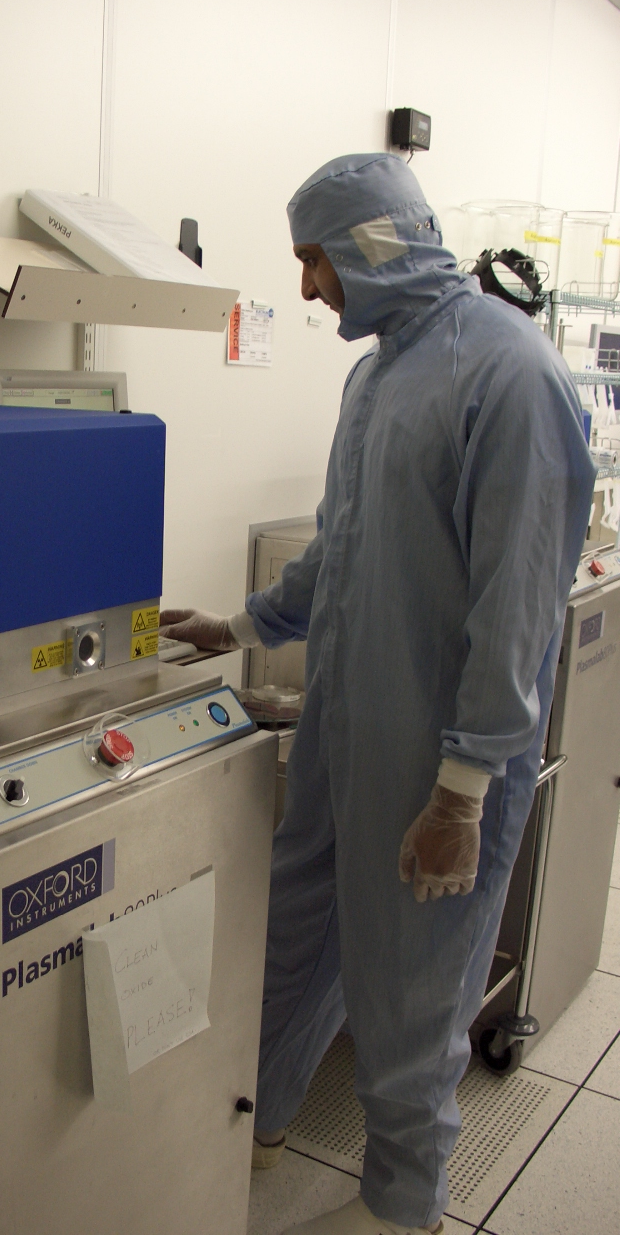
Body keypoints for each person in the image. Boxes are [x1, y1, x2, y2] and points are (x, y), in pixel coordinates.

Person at [161, 153, 594, 1235]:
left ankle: (405, 1205)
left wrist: (461, 792)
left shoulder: (512, 374)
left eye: (315, 260)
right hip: (344, 733)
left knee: (413, 994)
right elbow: (340, 548)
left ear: (375, 246)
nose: (306, 286)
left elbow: (517, 607)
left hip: (436, 759)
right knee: (294, 935)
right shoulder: (376, 377)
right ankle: (254, 1114)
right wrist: (243, 626)